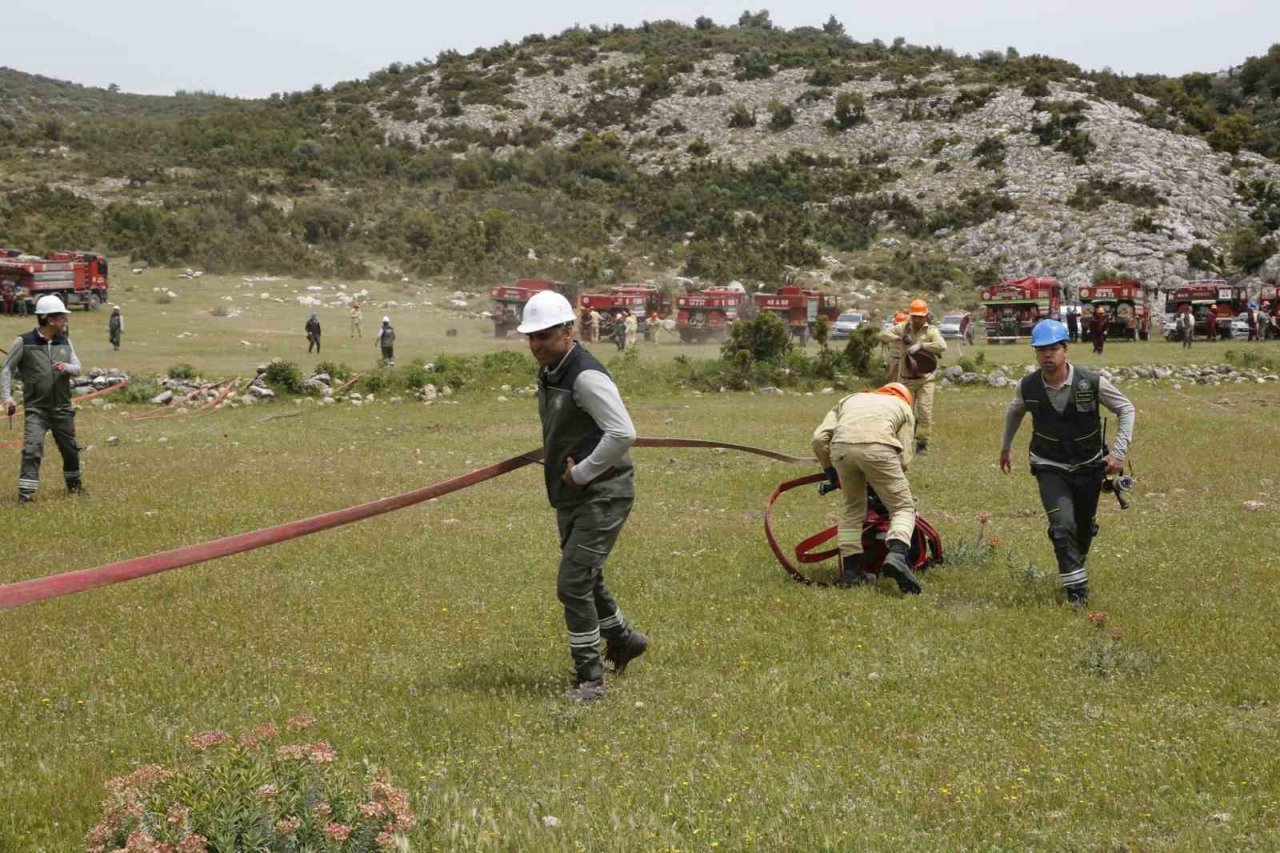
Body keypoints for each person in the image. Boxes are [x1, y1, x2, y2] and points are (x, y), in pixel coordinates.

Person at [518, 290, 648, 702]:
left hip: (603, 494)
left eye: (545, 334)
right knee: (585, 575)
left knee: (572, 583)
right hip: (571, 492)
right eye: (531, 337)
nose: (537, 344)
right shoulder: (551, 370)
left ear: (568, 330)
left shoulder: (585, 375)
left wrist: (585, 471)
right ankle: (623, 639)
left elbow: (623, 433)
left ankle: (590, 679)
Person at [999, 319, 1135, 607]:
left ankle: (1075, 564)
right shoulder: (1028, 386)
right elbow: (1014, 413)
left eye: (1053, 349)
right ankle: (1077, 594)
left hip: (1089, 465)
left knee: (1083, 528)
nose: (1047, 355)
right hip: (1049, 465)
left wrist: (1119, 453)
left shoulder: (1091, 381)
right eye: (1041, 350)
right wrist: (1006, 447)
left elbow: (1126, 408)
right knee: (1062, 526)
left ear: (1065, 350)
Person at [812, 382, 922, 594]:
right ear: (906, 397)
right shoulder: (904, 407)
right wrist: (881, 478)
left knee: (853, 510)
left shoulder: (850, 399)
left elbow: (819, 439)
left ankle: (852, 573)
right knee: (902, 507)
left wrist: (830, 472)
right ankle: (897, 555)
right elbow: (905, 460)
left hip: (841, 450)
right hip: (879, 450)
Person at [1, 295, 85, 503]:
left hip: (63, 409)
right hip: (36, 410)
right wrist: (7, 397)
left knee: (70, 450)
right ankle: (25, 496)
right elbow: (7, 369)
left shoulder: (65, 342)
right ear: (50, 319)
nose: (66, 321)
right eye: (62, 317)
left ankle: (75, 488)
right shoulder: (23, 342)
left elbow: (78, 367)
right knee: (32, 450)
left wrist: (67, 368)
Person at [878, 299, 946, 455]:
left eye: (920, 317)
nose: (916, 320)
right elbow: (882, 334)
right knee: (905, 412)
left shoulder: (931, 331)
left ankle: (922, 443)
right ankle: (903, 442)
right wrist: (898, 338)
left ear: (926, 316)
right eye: (914, 316)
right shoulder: (902, 328)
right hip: (906, 378)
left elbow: (942, 346)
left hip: (925, 379)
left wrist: (922, 345)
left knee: (924, 412)